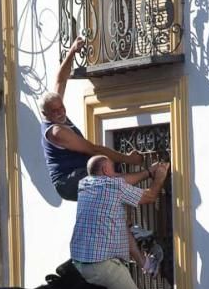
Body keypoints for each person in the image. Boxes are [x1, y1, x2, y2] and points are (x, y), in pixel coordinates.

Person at [40, 37, 144, 202]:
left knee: (107, 174)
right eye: (55, 111)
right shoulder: (57, 131)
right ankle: (148, 176)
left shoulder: (56, 107)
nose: (61, 112)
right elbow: (93, 149)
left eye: (62, 107)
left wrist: (72, 51)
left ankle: (127, 217)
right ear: (46, 114)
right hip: (68, 182)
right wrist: (128, 158)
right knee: (108, 179)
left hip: (78, 170)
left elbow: (61, 79)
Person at [70, 155, 169, 289]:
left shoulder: (85, 184)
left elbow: (121, 180)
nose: (117, 173)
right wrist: (159, 177)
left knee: (122, 224)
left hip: (80, 264)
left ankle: (146, 264)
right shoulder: (114, 187)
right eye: (114, 169)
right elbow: (150, 197)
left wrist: (147, 172)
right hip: (102, 264)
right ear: (105, 170)